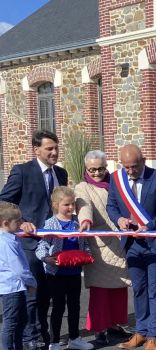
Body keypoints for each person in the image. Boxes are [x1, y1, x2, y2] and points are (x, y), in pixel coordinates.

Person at [0, 129, 68, 349]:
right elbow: (4, 201)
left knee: (48, 294)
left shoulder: (61, 173)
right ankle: (31, 338)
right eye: (49, 148)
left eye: (56, 148)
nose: (54, 152)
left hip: (54, 242)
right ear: (36, 149)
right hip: (29, 243)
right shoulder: (22, 171)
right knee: (32, 293)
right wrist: (21, 222)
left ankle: (44, 336)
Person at [107, 144, 156, 350]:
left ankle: (154, 335)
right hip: (131, 243)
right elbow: (112, 206)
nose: (130, 171)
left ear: (143, 160)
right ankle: (141, 332)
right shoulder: (116, 179)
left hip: (154, 242)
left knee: (154, 290)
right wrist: (119, 220)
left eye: (134, 166)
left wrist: (148, 226)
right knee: (138, 289)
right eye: (126, 167)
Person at [75, 150, 131, 345]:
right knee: (100, 292)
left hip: (120, 243)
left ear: (106, 167)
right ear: (86, 169)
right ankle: (99, 330)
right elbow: (83, 206)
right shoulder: (82, 187)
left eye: (100, 168)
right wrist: (85, 220)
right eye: (92, 169)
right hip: (99, 246)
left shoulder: (117, 182)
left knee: (118, 288)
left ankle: (114, 327)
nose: (97, 173)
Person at [35, 186, 94, 350]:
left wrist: (88, 256)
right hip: (56, 275)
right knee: (58, 308)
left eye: (73, 204)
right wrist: (47, 259)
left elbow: (85, 245)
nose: (71, 208)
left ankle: (74, 338)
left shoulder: (77, 224)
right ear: (55, 204)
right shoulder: (49, 224)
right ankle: (54, 342)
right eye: (66, 205)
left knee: (75, 307)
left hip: (74, 273)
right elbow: (41, 247)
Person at [0, 201, 37, 350]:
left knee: (20, 320)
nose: (21, 223)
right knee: (11, 323)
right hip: (11, 288)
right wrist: (32, 282)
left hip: (15, 286)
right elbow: (19, 268)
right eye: (18, 221)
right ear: (6, 223)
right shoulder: (6, 242)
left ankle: (17, 346)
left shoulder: (10, 238)